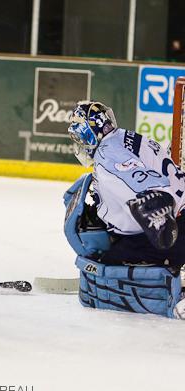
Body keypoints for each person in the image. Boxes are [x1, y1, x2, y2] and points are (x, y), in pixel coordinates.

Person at [64, 100, 185, 319]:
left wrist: (155, 209)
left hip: (172, 231)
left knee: (102, 268)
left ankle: (173, 280)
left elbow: (142, 182)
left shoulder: (108, 155)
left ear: (90, 134)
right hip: (180, 217)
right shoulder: (125, 138)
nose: (80, 143)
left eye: (80, 137)